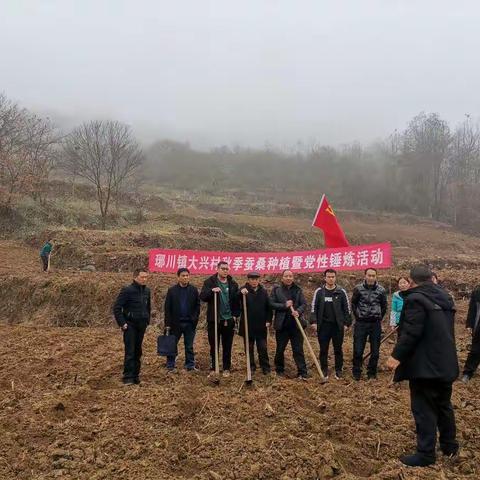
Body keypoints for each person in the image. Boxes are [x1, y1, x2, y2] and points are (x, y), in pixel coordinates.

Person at [386, 264, 459, 467]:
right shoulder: (445, 298)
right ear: (431, 279)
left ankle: (425, 453)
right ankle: (449, 446)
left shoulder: (415, 299)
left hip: (425, 365)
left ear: (411, 281)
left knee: (423, 408)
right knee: (444, 405)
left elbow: (411, 332)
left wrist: (396, 356)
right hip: (445, 362)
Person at [200, 261, 240, 377]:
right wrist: (211, 291)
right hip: (214, 319)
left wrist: (235, 315)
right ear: (217, 269)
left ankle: (226, 367)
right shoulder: (210, 282)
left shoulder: (233, 284)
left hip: (228, 319)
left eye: (227, 269)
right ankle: (214, 367)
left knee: (227, 345)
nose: (225, 271)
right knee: (214, 345)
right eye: (223, 268)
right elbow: (203, 297)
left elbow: (236, 302)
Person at [310, 269, 351, 379]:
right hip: (323, 326)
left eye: (333, 277)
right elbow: (314, 308)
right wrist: (314, 321)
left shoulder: (341, 292)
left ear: (335, 278)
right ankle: (324, 369)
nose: (331, 279)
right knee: (323, 349)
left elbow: (347, 309)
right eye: (328, 277)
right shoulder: (319, 292)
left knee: (338, 349)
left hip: (337, 326)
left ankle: (339, 369)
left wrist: (347, 323)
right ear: (325, 278)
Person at [113, 268, 151, 385]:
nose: (144, 279)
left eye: (146, 277)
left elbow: (148, 306)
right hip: (130, 325)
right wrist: (122, 323)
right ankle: (128, 377)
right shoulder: (127, 290)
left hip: (142, 325)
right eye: (142, 277)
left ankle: (136, 375)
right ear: (135, 277)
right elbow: (117, 308)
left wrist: (147, 320)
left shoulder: (147, 291)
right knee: (130, 351)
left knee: (138, 351)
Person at [270, 270, 308, 380]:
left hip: (296, 325)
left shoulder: (298, 290)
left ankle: (302, 372)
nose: (288, 278)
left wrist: (298, 311)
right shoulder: (277, 290)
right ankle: (279, 370)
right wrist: (284, 305)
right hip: (282, 325)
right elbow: (271, 303)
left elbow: (304, 304)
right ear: (282, 278)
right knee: (280, 349)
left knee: (298, 349)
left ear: (293, 278)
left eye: (290, 276)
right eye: (286, 276)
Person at [351, 268, 387, 380]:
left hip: (375, 323)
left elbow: (384, 306)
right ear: (365, 276)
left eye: (373, 275)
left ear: (376, 277)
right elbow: (353, 304)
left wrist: (378, 316)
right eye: (369, 275)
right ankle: (356, 372)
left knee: (375, 351)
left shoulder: (381, 290)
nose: (371, 278)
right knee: (358, 349)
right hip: (361, 323)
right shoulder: (358, 288)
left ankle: (371, 373)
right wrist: (358, 316)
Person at [164, 268, 200, 372]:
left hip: (189, 323)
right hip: (175, 323)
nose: (185, 277)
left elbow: (197, 306)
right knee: (172, 344)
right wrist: (167, 323)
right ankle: (170, 365)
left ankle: (190, 365)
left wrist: (194, 319)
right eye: (183, 276)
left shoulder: (193, 290)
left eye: (187, 275)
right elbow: (167, 308)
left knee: (189, 346)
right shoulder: (172, 291)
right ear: (178, 277)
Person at [239, 272, 273, 375]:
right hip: (247, 325)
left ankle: (265, 367)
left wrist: (268, 320)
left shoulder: (263, 292)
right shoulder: (243, 290)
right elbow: (235, 298)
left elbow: (269, 307)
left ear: (259, 280)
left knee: (262, 347)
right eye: (252, 279)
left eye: (256, 279)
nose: (254, 281)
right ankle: (251, 367)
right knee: (249, 348)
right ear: (248, 280)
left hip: (261, 324)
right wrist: (240, 292)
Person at [461, 285, 480, 382]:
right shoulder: (477, 292)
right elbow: (472, 310)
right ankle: (468, 373)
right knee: (475, 351)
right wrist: (470, 324)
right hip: (478, 328)